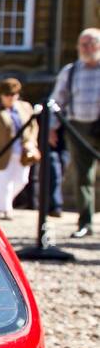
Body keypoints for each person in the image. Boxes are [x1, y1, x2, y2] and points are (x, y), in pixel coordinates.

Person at [49, 27, 100, 237]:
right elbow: (57, 100)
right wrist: (52, 127)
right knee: (82, 177)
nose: (86, 48)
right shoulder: (70, 71)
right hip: (78, 128)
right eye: (83, 44)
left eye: (90, 44)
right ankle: (85, 223)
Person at [0, 78, 39, 220]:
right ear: (1, 95)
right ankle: (4, 210)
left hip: (23, 152)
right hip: (1, 153)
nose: (10, 98)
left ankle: (5, 203)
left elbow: (33, 127)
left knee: (22, 180)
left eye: (13, 95)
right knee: (3, 182)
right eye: (7, 95)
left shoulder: (25, 107)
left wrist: (32, 143)